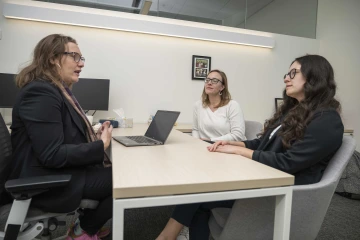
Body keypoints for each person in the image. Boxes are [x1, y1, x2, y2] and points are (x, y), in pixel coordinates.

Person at [156, 55, 344, 240]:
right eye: (287, 73)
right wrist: (234, 143)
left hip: (284, 193)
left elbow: (288, 163)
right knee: (196, 195)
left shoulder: (326, 120)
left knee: (196, 196)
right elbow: (262, 144)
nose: (286, 78)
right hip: (265, 178)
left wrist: (241, 151)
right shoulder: (294, 111)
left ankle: (167, 236)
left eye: (293, 73)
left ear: (314, 78)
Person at [9, 34, 113, 240]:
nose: (80, 64)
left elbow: (60, 137)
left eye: (81, 58)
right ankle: (84, 229)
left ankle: (84, 225)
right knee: (126, 181)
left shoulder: (54, 91)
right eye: (74, 56)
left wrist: (92, 137)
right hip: (45, 181)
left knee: (119, 174)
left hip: (53, 172)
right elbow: (52, 154)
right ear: (52, 58)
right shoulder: (41, 92)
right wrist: (100, 145)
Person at [192, 69, 246, 143]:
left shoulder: (232, 105)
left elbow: (238, 135)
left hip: (228, 148)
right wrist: (197, 143)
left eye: (214, 80)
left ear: (222, 87)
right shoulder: (198, 105)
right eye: (207, 80)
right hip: (205, 147)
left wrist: (211, 141)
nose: (209, 83)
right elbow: (196, 130)